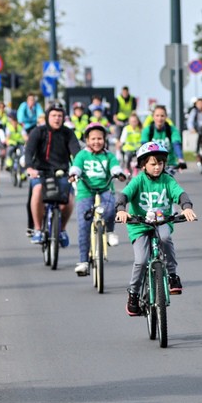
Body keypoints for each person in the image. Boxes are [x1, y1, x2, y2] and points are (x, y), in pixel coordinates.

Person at [115, 142, 197, 315]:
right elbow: (124, 195)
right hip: (139, 225)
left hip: (161, 222)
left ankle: (173, 276)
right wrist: (122, 211)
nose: (157, 167)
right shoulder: (138, 180)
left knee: (166, 238)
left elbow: (180, 193)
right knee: (141, 260)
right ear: (143, 164)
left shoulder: (167, 179)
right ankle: (134, 294)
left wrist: (187, 207)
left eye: (160, 163)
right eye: (153, 164)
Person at [69, 123, 125, 276]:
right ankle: (83, 261)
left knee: (111, 207)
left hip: (105, 188)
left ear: (104, 139)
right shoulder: (82, 155)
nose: (96, 141)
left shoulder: (108, 155)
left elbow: (114, 167)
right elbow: (76, 167)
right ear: (87, 140)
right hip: (85, 191)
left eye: (99, 138)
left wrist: (118, 173)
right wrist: (73, 174)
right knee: (83, 225)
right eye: (93, 139)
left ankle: (110, 232)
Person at [24, 104, 80, 245]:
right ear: (48, 117)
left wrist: (77, 168)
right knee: (37, 191)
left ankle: (61, 230)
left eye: (60, 116)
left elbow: (77, 153)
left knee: (69, 199)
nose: (57, 119)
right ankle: (37, 230)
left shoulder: (68, 133)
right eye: (54, 115)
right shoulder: (38, 131)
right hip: (40, 172)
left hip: (62, 172)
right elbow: (29, 151)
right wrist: (30, 168)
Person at [142, 105, 184, 170]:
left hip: (169, 164)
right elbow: (144, 146)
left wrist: (180, 158)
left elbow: (176, 145)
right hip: (153, 165)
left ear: (166, 117)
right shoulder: (147, 130)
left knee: (168, 180)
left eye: (162, 116)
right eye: (157, 115)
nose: (159, 118)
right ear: (153, 117)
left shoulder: (172, 130)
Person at [117, 112, 143, 177]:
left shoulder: (140, 129)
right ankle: (126, 168)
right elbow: (122, 139)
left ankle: (136, 169)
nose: (133, 123)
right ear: (129, 122)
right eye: (131, 121)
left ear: (137, 122)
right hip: (128, 148)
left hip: (137, 148)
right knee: (127, 156)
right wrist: (119, 145)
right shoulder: (126, 129)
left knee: (138, 157)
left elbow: (143, 139)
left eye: (135, 121)